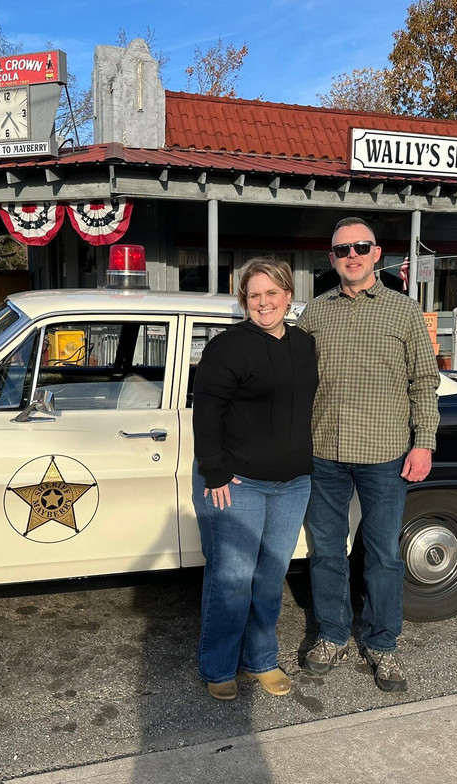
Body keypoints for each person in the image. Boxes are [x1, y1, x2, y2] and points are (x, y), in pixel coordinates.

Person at [297, 217, 440, 693]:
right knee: (326, 552)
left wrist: (425, 443)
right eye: (342, 250)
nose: (351, 256)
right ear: (332, 259)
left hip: (385, 453)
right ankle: (333, 635)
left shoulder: (404, 312)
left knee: (382, 554)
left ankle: (383, 644)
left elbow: (425, 382)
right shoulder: (314, 315)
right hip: (324, 451)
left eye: (360, 247)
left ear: (377, 253)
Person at [191, 257, 318, 701]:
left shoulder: (303, 344)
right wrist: (215, 471)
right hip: (238, 482)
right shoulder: (228, 346)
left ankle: (260, 660)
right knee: (232, 578)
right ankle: (219, 666)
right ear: (244, 300)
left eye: (271, 293)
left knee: (269, 578)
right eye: (254, 295)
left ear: (287, 296)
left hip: (293, 483)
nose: (263, 303)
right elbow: (206, 410)